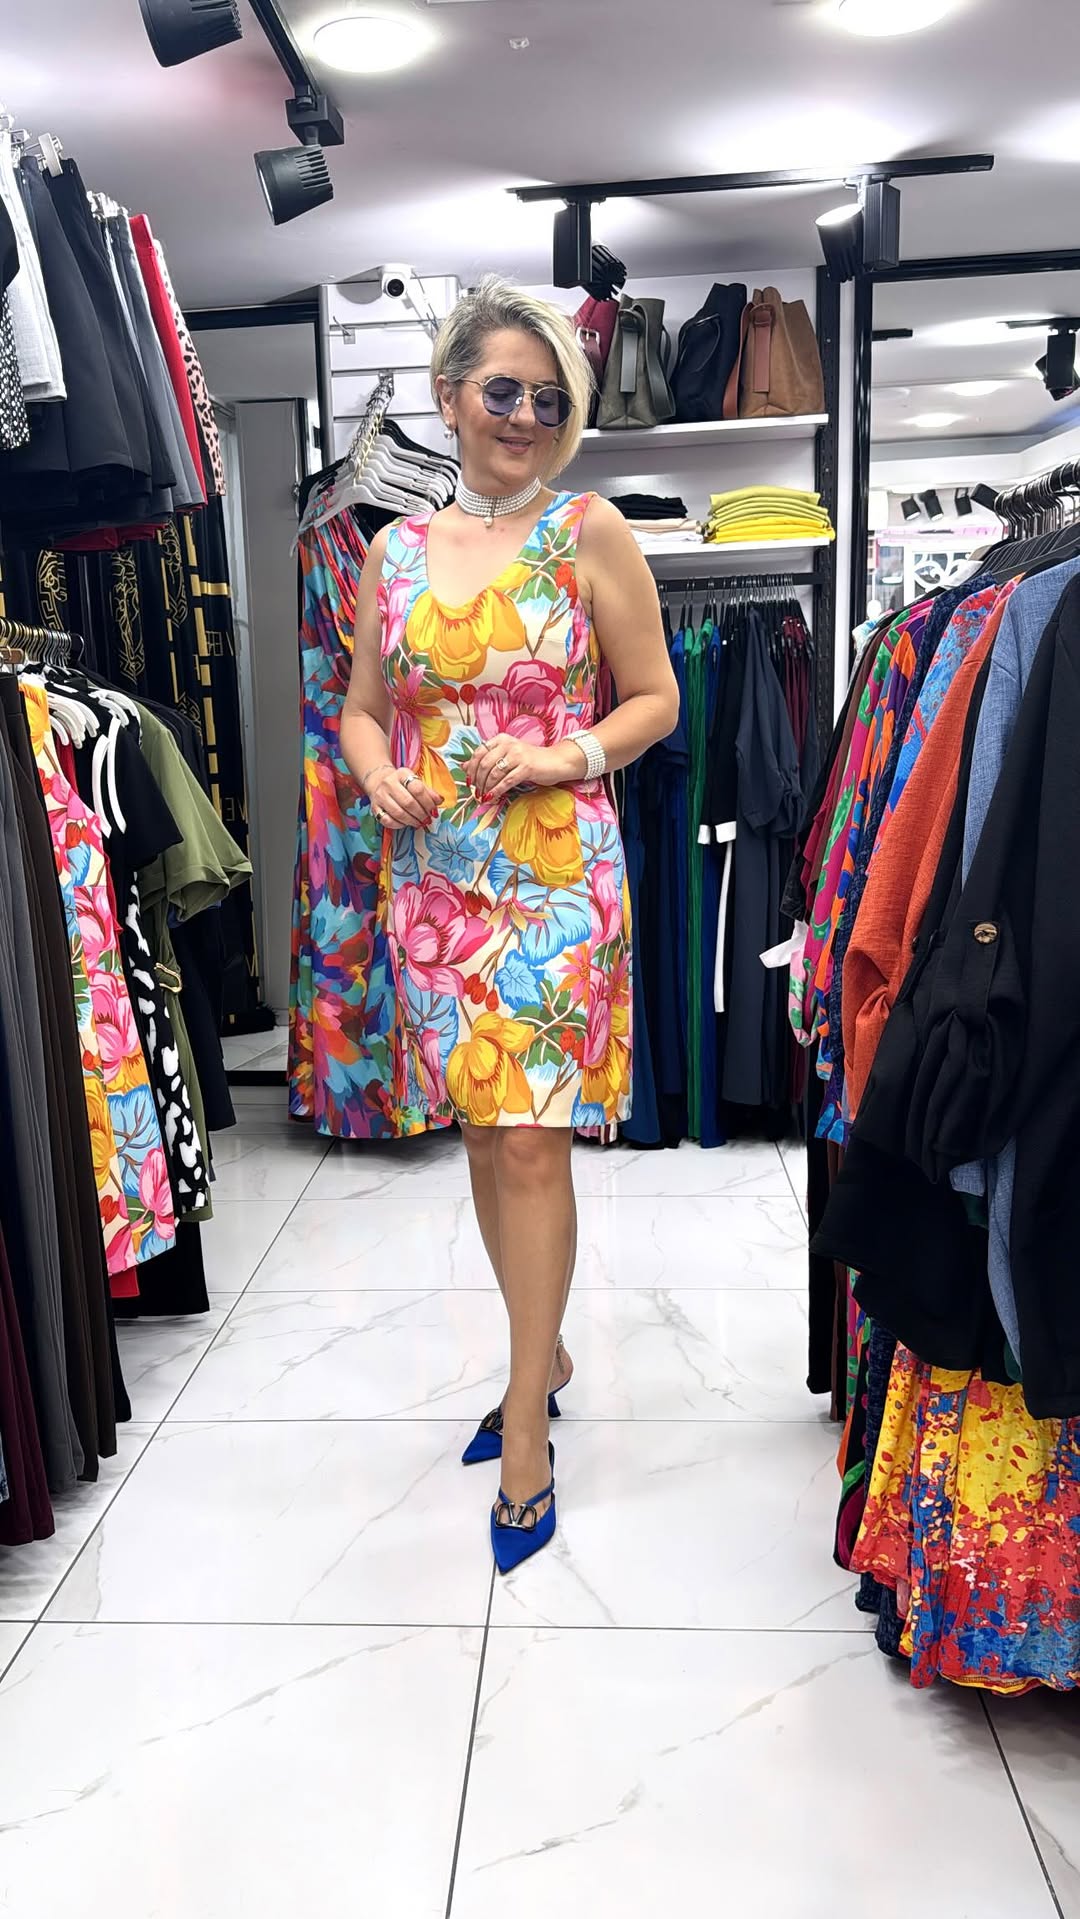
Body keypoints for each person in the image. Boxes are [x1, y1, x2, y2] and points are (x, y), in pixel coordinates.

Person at [341, 275, 678, 1571]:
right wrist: (377, 771)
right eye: (502, 392)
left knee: (534, 1144)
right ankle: (549, 1350)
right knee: (486, 1138)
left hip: (552, 878)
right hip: (435, 881)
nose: (526, 417)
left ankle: (527, 1416)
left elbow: (654, 699)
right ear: (450, 399)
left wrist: (560, 754)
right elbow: (365, 707)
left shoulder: (591, 531)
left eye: (548, 399)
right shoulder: (392, 553)